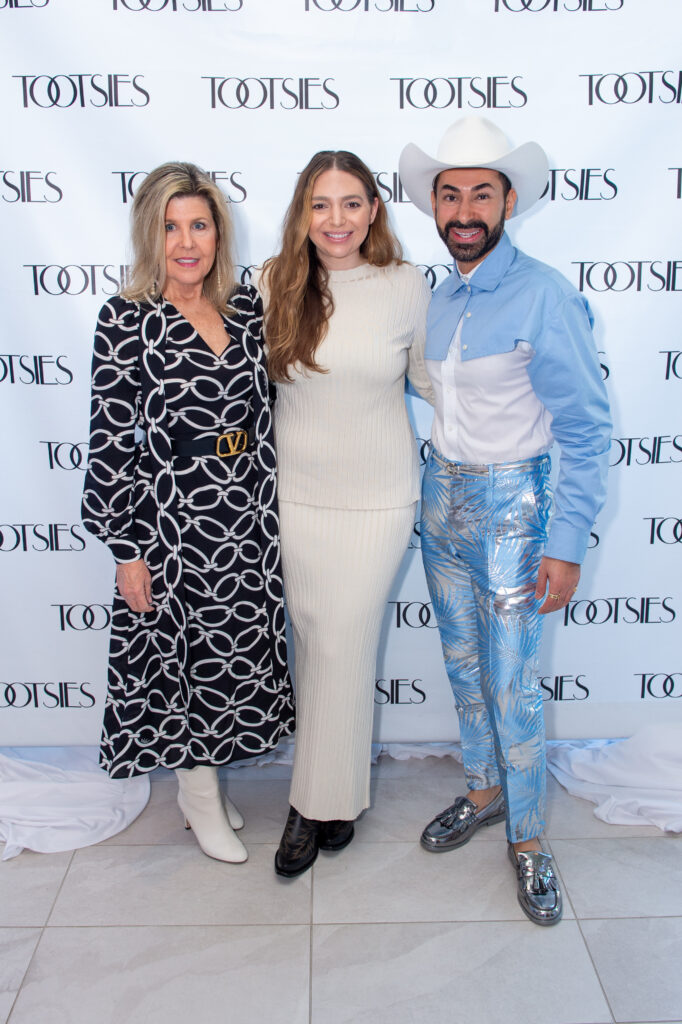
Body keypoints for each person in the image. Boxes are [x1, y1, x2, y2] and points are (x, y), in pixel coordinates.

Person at [398, 117, 611, 925]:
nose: (463, 208)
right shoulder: (436, 295)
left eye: (480, 193)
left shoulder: (545, 293)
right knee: (462, 666)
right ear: (435, 207)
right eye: (449, 194)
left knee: (514, 685)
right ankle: (484, 792)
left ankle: (528, 841)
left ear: (508, 200)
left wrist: (565, 543)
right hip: (441, 505)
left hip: (517, 511)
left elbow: (587, 431)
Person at [81, 162, 294, 864]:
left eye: (198, 225)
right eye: (170, 227)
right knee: (181, 657)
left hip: (245, 508)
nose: (186, 241)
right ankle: (197, 795)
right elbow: (110, 438)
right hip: (171, 518)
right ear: (150, 234)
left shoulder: (242, 307)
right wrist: (126, 547)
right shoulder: (126, 316)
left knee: (230, 652)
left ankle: (208, 783)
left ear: (217, 232)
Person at [254, 150, 433, 878]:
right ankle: (337, 795)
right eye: (321, 205)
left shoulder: (405, 285)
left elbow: (430, 382)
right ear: (303, 211)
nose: (337, 220)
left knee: (344, 640)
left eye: (352, 203)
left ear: (374, 210)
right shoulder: (271, 282)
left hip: (380, 498)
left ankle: (310, 806)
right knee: (318, 641)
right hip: (294, 495)